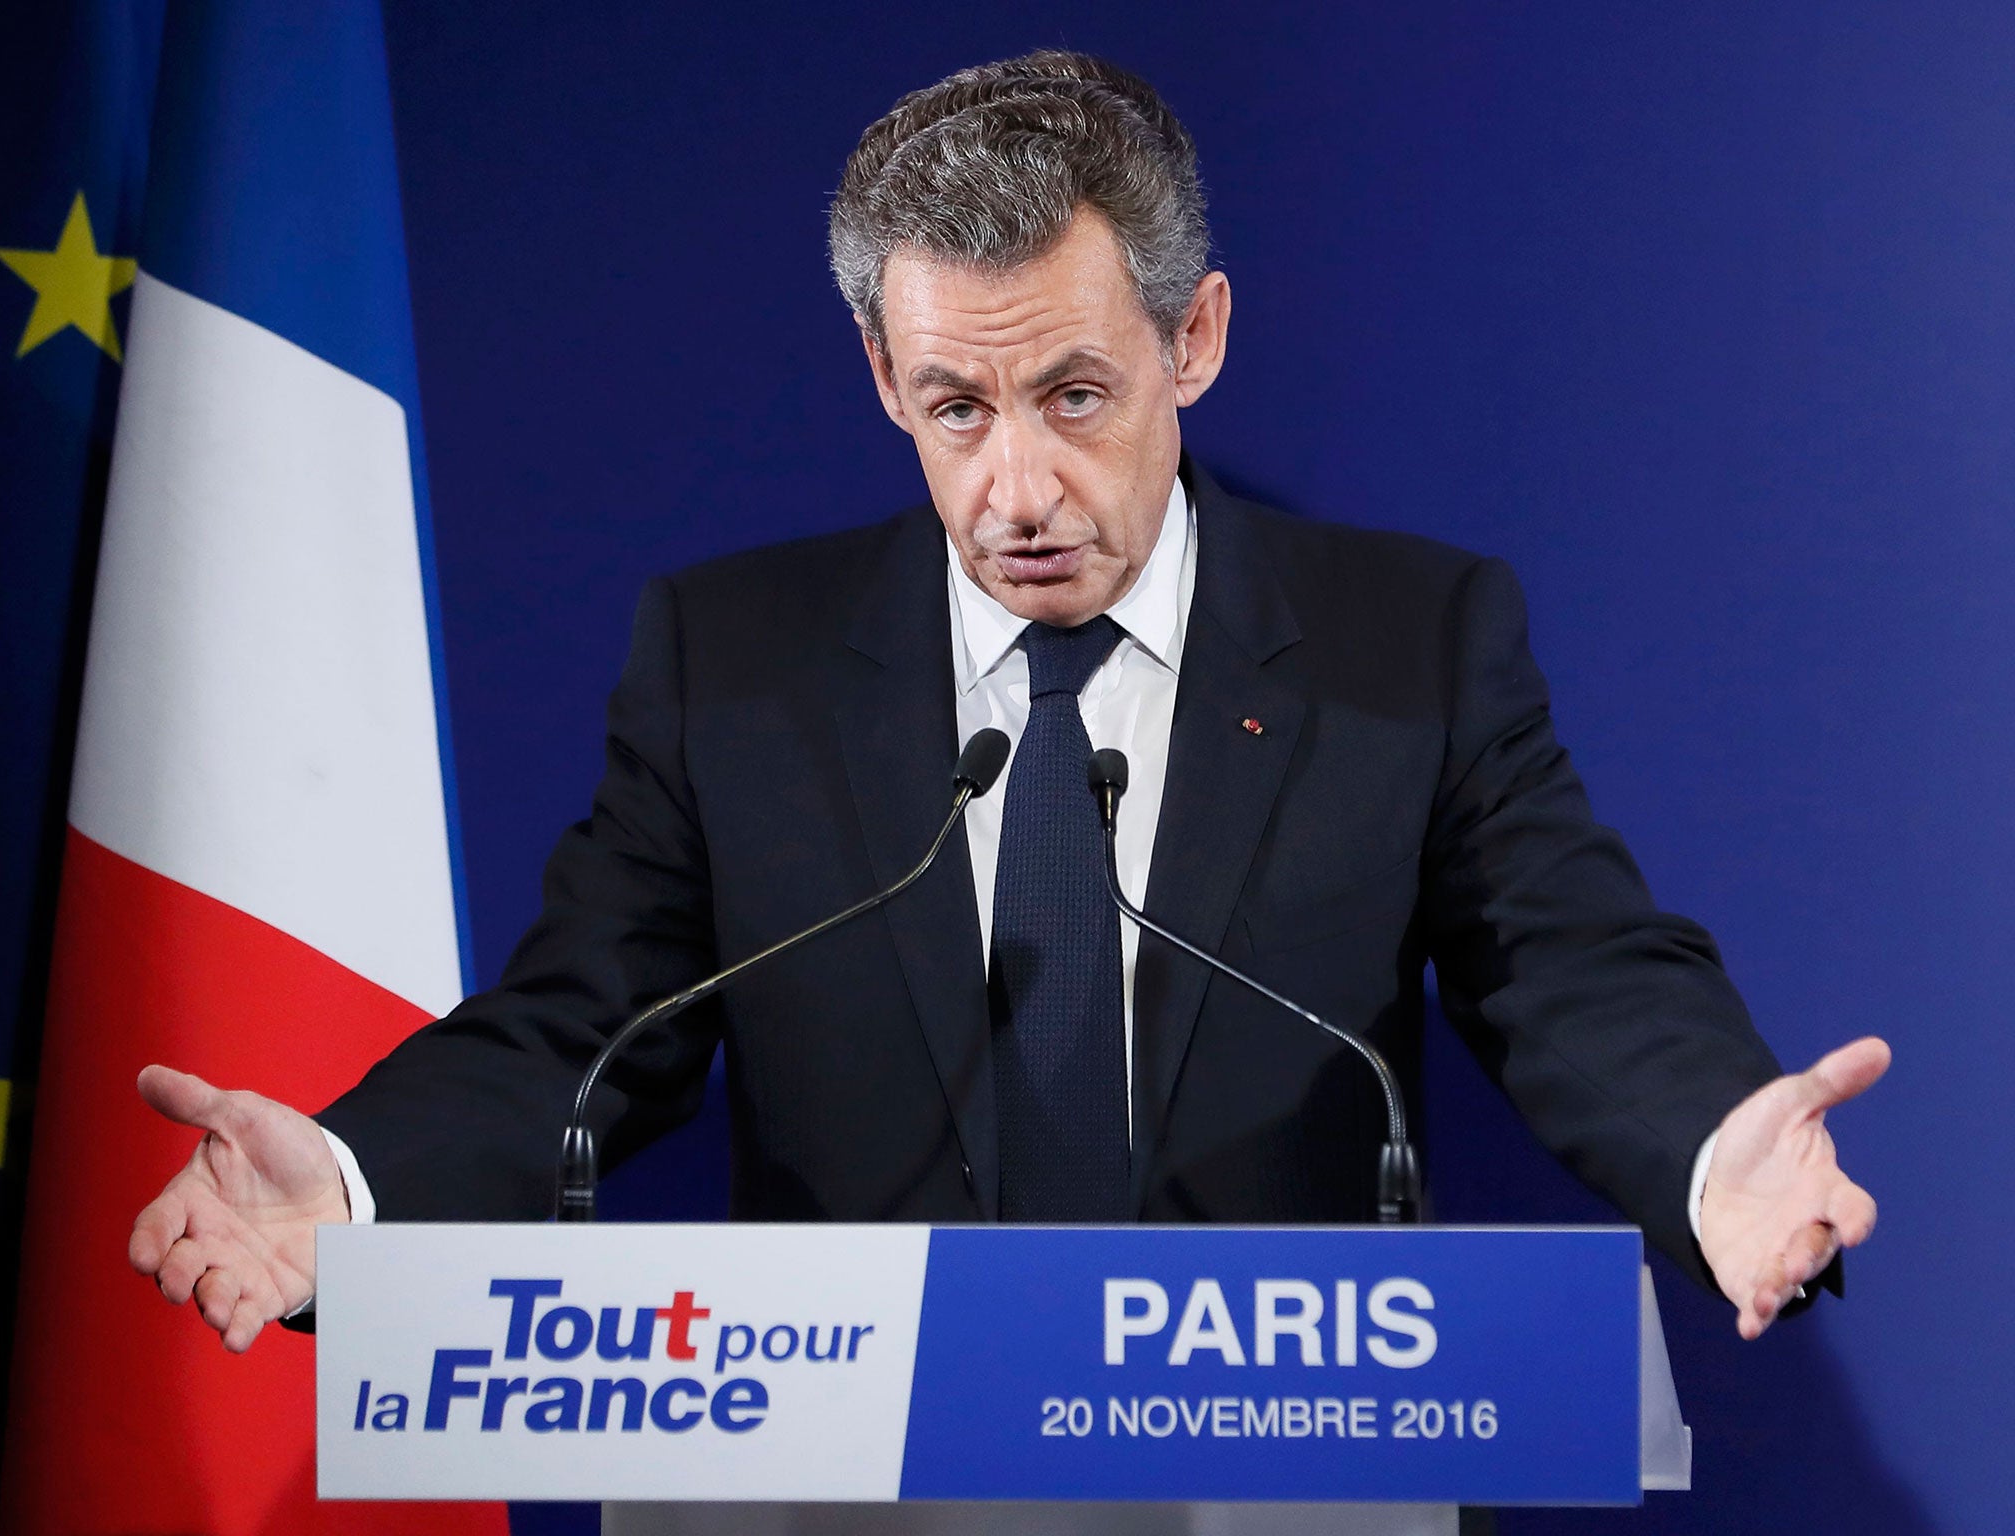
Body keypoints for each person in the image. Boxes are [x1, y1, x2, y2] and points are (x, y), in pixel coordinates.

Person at [129, 50, 1885, 1359]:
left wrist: (1715, 1147)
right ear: (884, 373)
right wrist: (352, 1189)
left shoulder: (1401, 640)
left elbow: (1567, 959)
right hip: (849, 1488)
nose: (1019, 487)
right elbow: (585, 1028)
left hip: (1273, 1487)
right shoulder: (732, 664)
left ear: (1192, 342)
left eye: (1074, 392)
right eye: (957, 407)